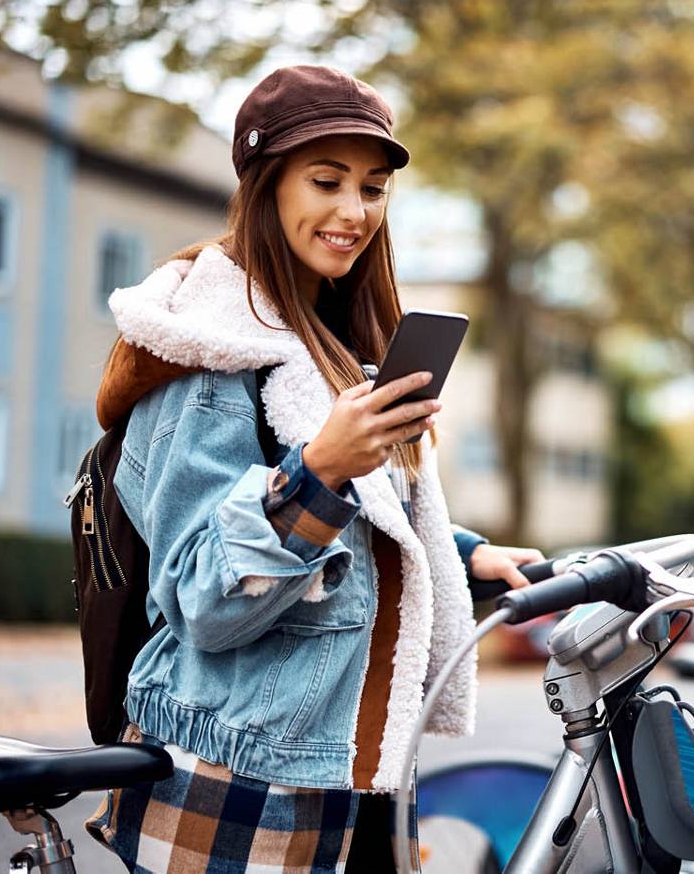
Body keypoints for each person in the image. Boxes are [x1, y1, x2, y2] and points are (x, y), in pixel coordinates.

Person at [85, 65, 542, 872]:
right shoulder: (210, 362)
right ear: (266, 187)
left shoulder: (327, 339)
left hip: (346, 779)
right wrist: (321, 469)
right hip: (241, 795)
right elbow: (201, 598)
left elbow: (362, 517)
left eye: (372, 188)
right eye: (326, 180)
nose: (353, 210)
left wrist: (468, 555)